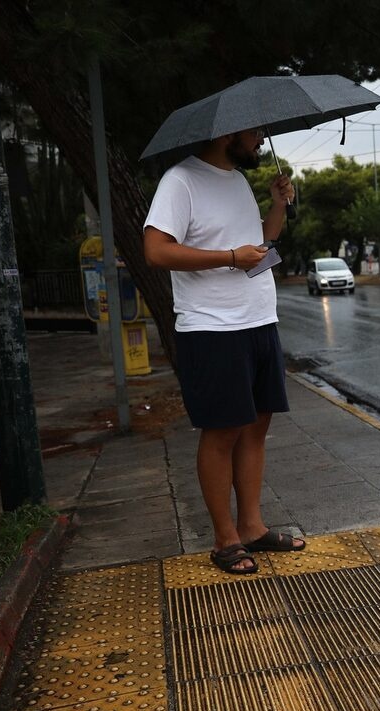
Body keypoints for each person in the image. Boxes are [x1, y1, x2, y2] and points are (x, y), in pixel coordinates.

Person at [143, 127, 305, 575]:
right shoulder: (181, 180)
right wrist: (230, 257)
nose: (262, 140)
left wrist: (278, 205)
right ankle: (225, 539)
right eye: (256, 133)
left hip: (259, 320)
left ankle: (252, 526)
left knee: (256, 426)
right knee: (222, 431)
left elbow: (261, 245)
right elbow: (155, 251)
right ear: (227, 133)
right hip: (212, 328)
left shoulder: (238, 180)